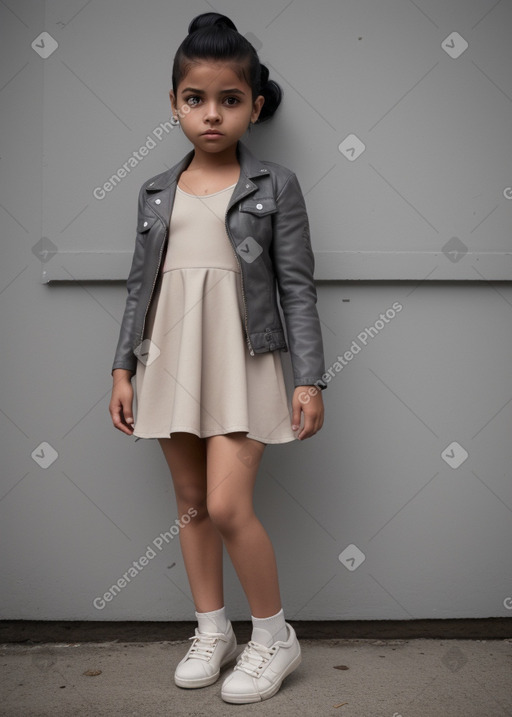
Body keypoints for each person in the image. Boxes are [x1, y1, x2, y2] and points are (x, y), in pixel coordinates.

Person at [109, 11, 326, 704]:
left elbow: (297, 286)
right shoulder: (153, 192)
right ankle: (212, 628)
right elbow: (139, 288)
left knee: (231, 504)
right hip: (167, 356)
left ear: (254, 106)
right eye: (195, 99)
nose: (212, 114)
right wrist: (122, 367)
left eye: (230, 100)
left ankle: (273, 636)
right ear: (173, 103)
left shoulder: (276, 186)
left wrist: (309, 378)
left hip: (245, 356)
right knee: (194, 504)